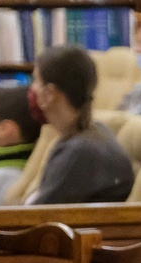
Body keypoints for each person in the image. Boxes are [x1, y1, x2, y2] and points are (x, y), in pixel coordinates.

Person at [26, 45, 134, 204]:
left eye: (35, 80)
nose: (31, 88)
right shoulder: (91, 134)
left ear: (50, 93)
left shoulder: (80, 152)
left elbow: (37, 214)